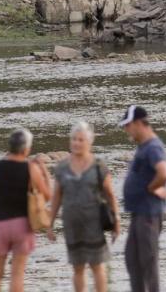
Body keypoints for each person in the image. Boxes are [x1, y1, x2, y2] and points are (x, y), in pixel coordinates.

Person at [47, 121, 121, 292]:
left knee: (97, 266)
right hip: (72, 224)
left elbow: (110, 195)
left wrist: (116, 220)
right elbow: (57, 196)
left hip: (94, 224)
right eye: (74, 139)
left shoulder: (98, 166)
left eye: (81, 140)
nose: (76, 143)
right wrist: (50, 224)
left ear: (89, 142)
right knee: (77, 267)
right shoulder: (62, 167)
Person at [0, 128, 51, 292]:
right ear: (26, 149)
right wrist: (44, 172)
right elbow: (47, 196)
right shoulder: (30, 169)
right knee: (17, 274)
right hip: (21, 225)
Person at [119, 105, 166, 292]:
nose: (126, 129)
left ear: (139, 123)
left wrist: (151, 187)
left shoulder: (153, 146)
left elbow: (164, 173)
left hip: (148, 215)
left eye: (128, 125)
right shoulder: (144, 147)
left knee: (148, 263)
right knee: (132, 259)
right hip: (138, 213)